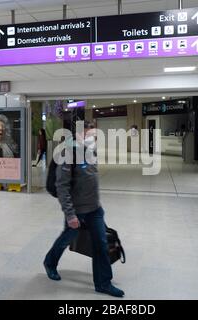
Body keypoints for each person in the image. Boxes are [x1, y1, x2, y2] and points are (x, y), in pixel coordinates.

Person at [43, 121, 124, 298]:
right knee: (66, 239)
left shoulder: (91, 150)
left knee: (101, 245)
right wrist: (70, 214)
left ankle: (103, 283)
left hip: (95, 209)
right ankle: (50, 262)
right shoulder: (68, 152)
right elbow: (62, 186)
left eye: (94, 134)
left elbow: (90, 178)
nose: (92, 137)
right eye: (89, 134)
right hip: (77, 210)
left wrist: (97, 205)